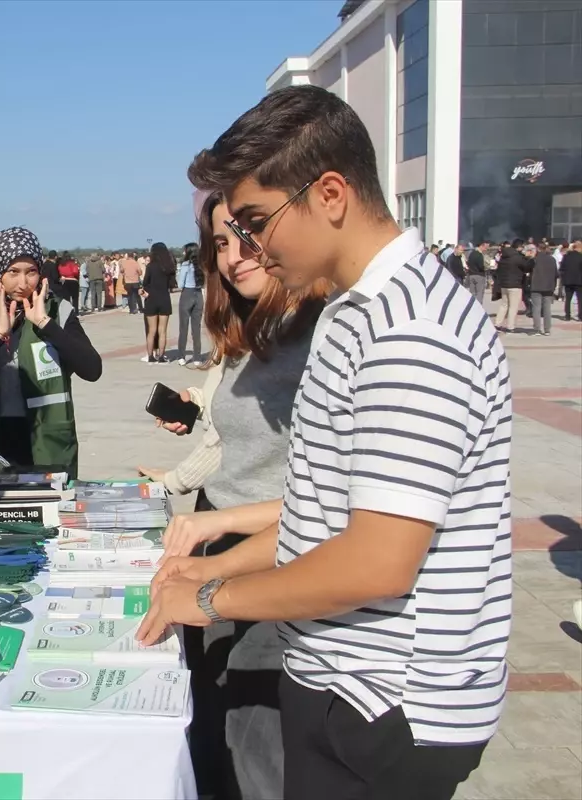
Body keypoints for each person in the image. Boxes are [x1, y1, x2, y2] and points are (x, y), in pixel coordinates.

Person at [145, 84, 511, 800]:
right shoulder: (351, 308)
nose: (243, 249)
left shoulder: (410, 328)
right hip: (341, 676)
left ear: (331, 194)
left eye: (255, 222)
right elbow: (321, 517)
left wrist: (215, 598)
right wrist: (206, 572)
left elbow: (376, 561)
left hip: (386, 701)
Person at [139, 189, 324, 800]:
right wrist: (195, 426)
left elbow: (334, 496)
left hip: (279, 553)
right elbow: (237, 440)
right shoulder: (252, 325)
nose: (234, 255)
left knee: (254, 745)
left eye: (247, 233)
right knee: (213, 724)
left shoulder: (328, 330)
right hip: (217, 530)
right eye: (220, 241)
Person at [0, 227, 102, 478]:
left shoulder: (58, 310)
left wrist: (45, 323)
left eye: (31, 272)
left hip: (46, 440)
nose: (23, 283)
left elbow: (92, 369)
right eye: (13, 272)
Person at [140, 242, 175, 362]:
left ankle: (150, 356)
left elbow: (145, 283)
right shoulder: (169, 267)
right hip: (164, 298)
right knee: (163, 331)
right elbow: (172, 284)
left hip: (152, 299)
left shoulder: (151, 266)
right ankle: (161, 356)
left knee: (152, 330)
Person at [174, 242, 203, 364]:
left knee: (183, 327)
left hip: (187, 294)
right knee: (196, 328)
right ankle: (197, 357)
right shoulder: (202, 265)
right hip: (198, 294)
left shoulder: (185, 265)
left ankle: (181, 356)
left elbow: (180, 284)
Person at [495, 239, 530, 332]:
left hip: (504, 284)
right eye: (522, 247)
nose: (523, 249)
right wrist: (528, 258)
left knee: (504, 305)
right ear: (519, 247)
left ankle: (497, 324)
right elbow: (526, 267)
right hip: (515, 284)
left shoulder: (504, 256)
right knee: (513, 307)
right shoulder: (517, 257)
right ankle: (510, 326)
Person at [528, 241, 559, 337]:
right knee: (547, 309)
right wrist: (553, 286)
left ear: (537, 249)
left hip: (536, 286)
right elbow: (556, 274)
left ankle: (537, 329)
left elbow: (527, 269)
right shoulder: (552, 259)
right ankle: (547, 329)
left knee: (536, 308)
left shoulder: (534, 259)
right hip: (549, 287)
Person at [561, 239, 582, 321]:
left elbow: (562, 268)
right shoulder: (581, 257)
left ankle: (567, 316)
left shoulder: (566, 256)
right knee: (580, 299)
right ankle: (580, 316)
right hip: (579, 281)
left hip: (568, 281)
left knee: (568, 299)